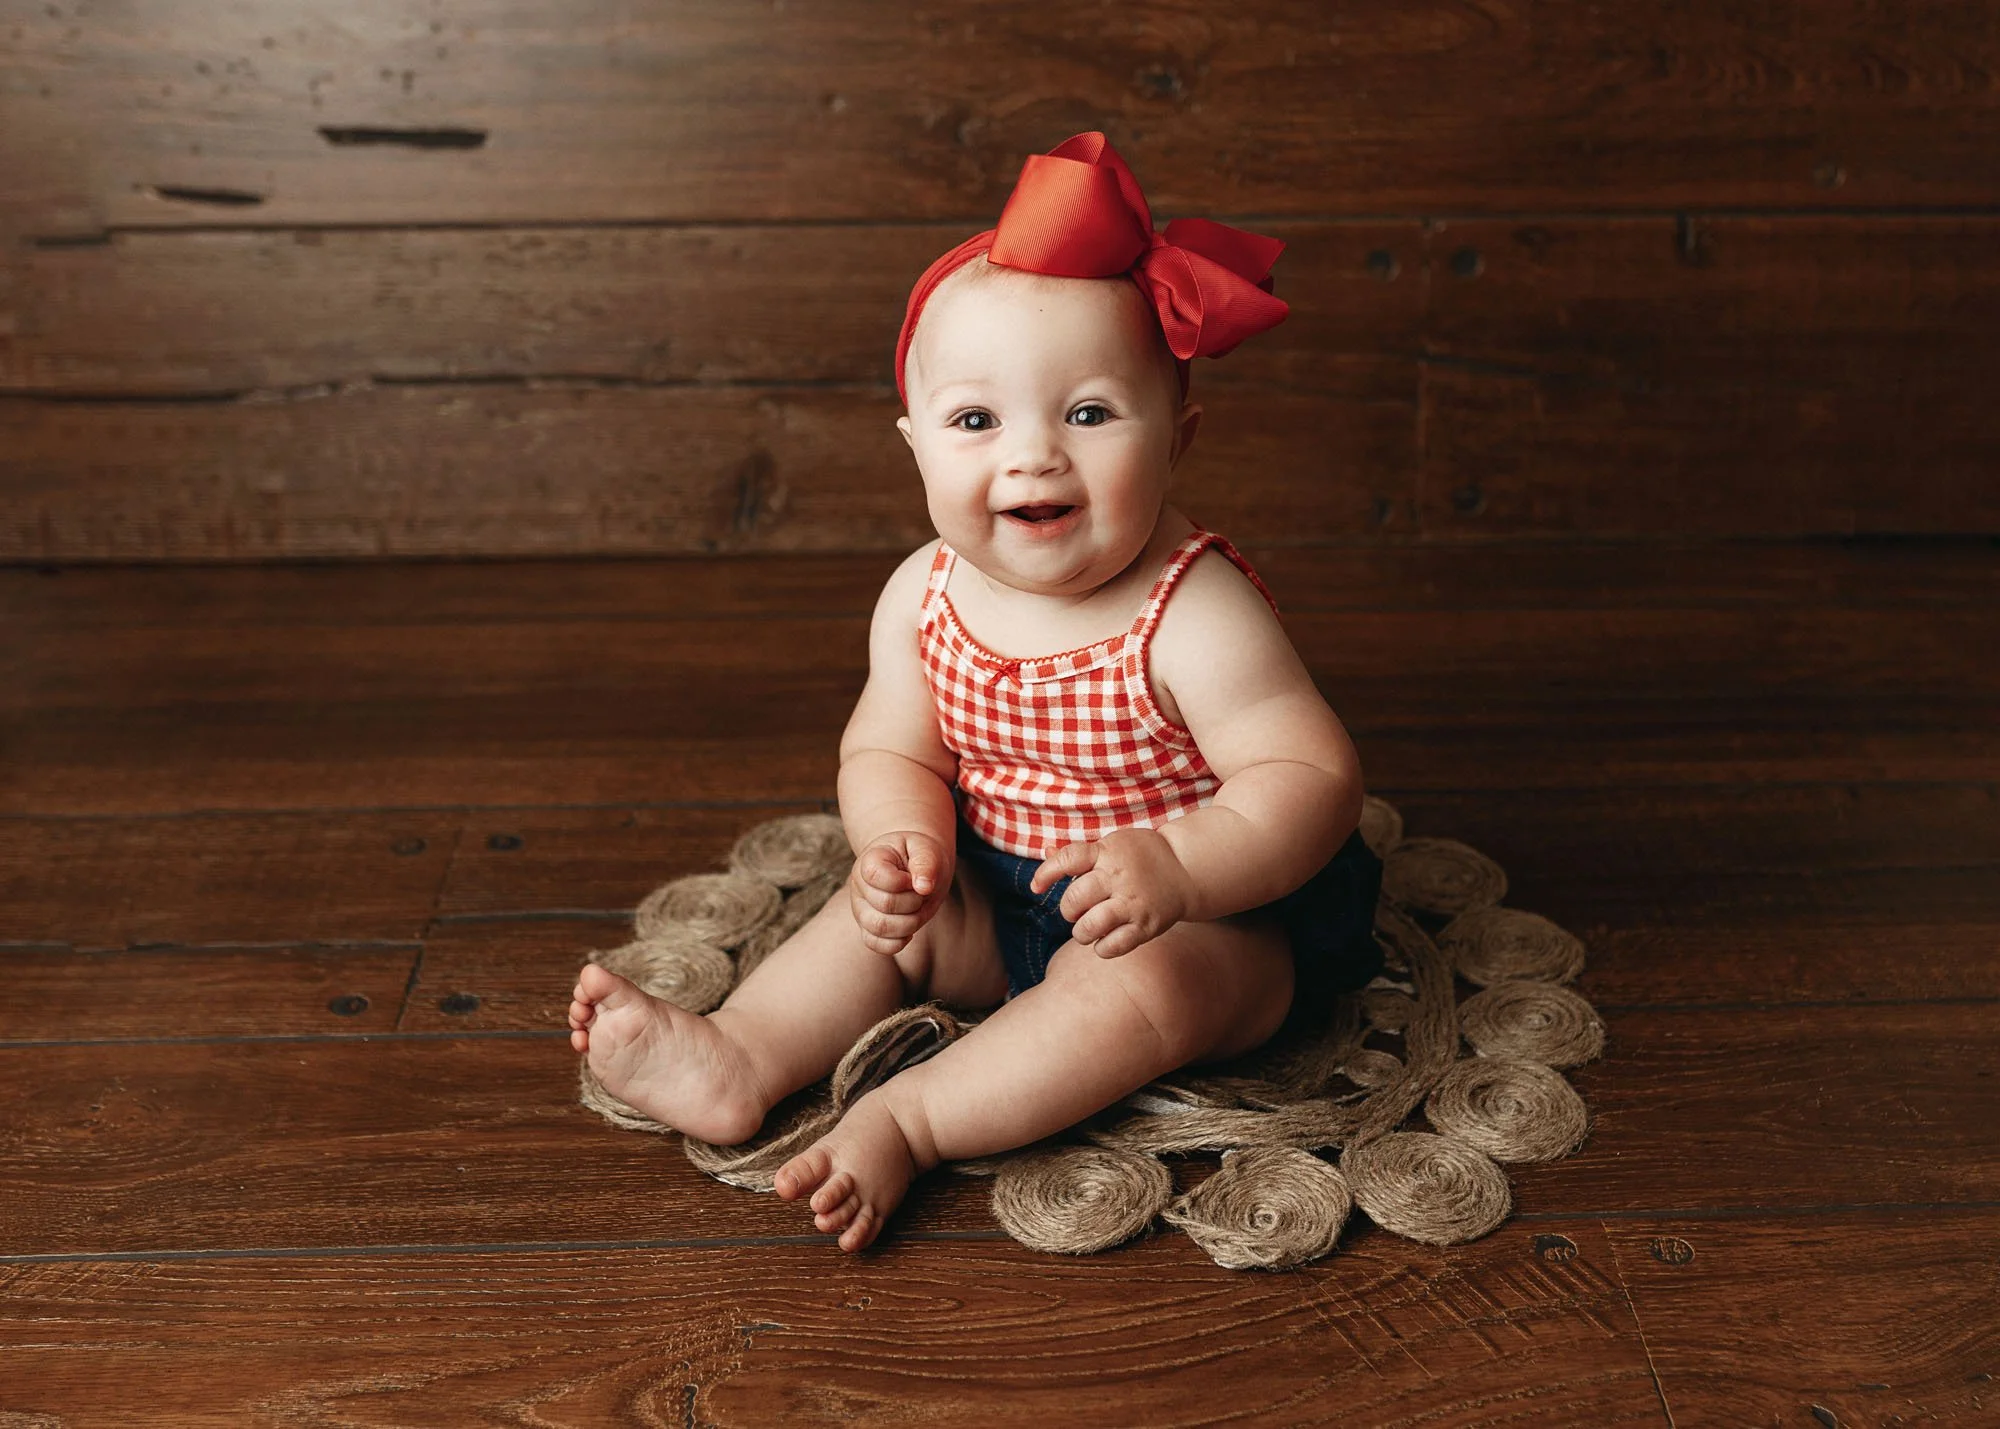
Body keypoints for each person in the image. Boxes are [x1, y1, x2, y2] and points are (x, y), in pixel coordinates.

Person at [568, 133, 1382, 1252]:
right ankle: (739, 1054)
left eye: (1089, 414)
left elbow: (1312, 777)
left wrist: (1182, 864)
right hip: (999, 895)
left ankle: (909, 1117)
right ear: (914, 445)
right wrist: (901, 842)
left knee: (1147, 987)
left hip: (1209, 917)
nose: (1033, 457)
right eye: (974, 421)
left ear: (1176, 440)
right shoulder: (921, 596)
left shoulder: (1191, 612)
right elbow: (889, 749)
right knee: (871, 924)